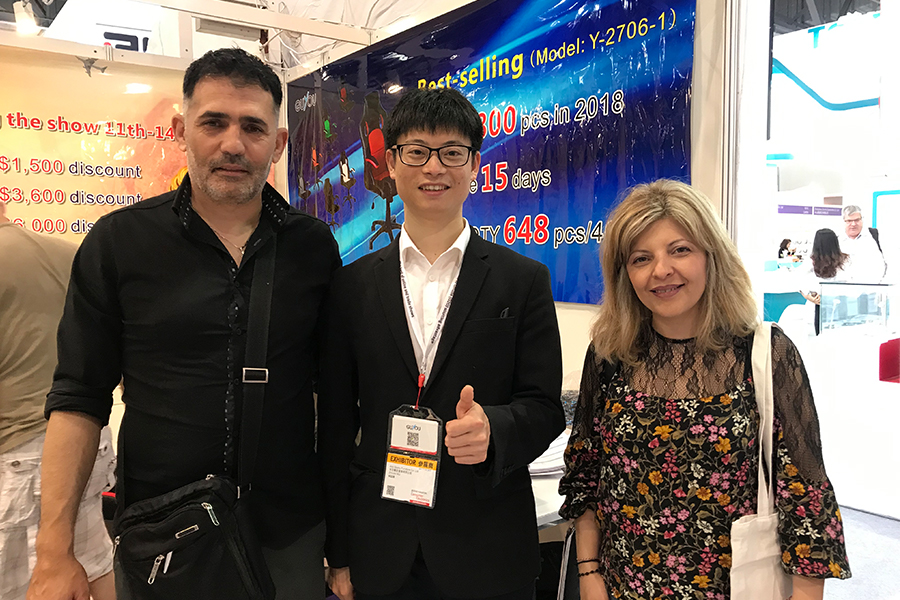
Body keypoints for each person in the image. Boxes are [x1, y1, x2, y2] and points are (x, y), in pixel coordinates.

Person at [27, 48, 340, 600]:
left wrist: (344, 542)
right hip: (162, 535)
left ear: (278, 143)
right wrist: (54, 549)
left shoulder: (312, 247)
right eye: (213, 123)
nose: (233, 144)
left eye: (252, 127)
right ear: (181, 130)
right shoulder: (120, 242)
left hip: (286, 534)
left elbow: (335, 395)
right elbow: (79, 397)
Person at [318, 87, 564, 600]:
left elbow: (544, 408)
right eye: (417, 152)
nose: (434, 167)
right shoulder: (350, 286)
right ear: (391, 163)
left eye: (452, 152)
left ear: (474, 165)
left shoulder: (522, 281)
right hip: (380, 546)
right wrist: (338, 551)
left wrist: (494, 429)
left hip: (487, 546)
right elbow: (337, 427)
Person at [559, 180, 850, 600]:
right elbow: (586, 474)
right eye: (641, 258)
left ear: (712, 255)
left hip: (736, 588)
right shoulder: (610, 355)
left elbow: (805, 495)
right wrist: (588, 574)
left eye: (680, 250)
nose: (661, 270)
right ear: (625, 275)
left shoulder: (765, 353)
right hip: (625, 587)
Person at [0, 202, 115, 600]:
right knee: (92, 562)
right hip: (83, 439)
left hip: (20, 453)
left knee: (35, 582)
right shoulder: (68, 251)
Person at [800, 229, 851, 335]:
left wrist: (809, 296)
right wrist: (808, 296)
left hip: (835, 304)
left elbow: (799, 281)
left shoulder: (845, 260)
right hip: (823, 306)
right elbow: (800, 282)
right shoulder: (811, 261)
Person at [839, 205, 885, 283]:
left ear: (862, 219)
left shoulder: (875, 237)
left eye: (857, 220)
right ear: (844, 221)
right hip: (842, 288)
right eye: (849, 221)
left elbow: (888, 263)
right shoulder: (837, 240)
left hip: (871, 288)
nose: (853, 224)